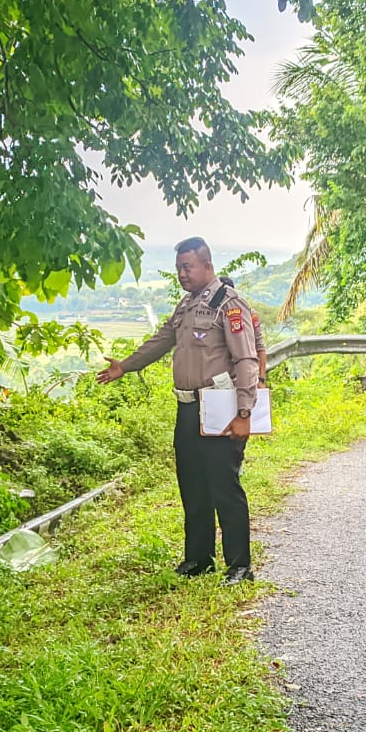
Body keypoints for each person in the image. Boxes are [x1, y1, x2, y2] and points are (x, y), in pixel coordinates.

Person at [97, 238, 260, 584]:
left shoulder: (228, 305)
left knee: (223, 487)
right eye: (178, 269)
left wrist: (244, 412)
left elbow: (246, 359)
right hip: (187, 408)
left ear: (207, 265)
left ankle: (240, 566)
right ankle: (199, 559)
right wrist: (125, 366)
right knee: (193, 486)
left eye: (187, 267)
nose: (181, 275)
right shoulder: (187, 305)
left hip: (220, 408)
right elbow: (161, 340)